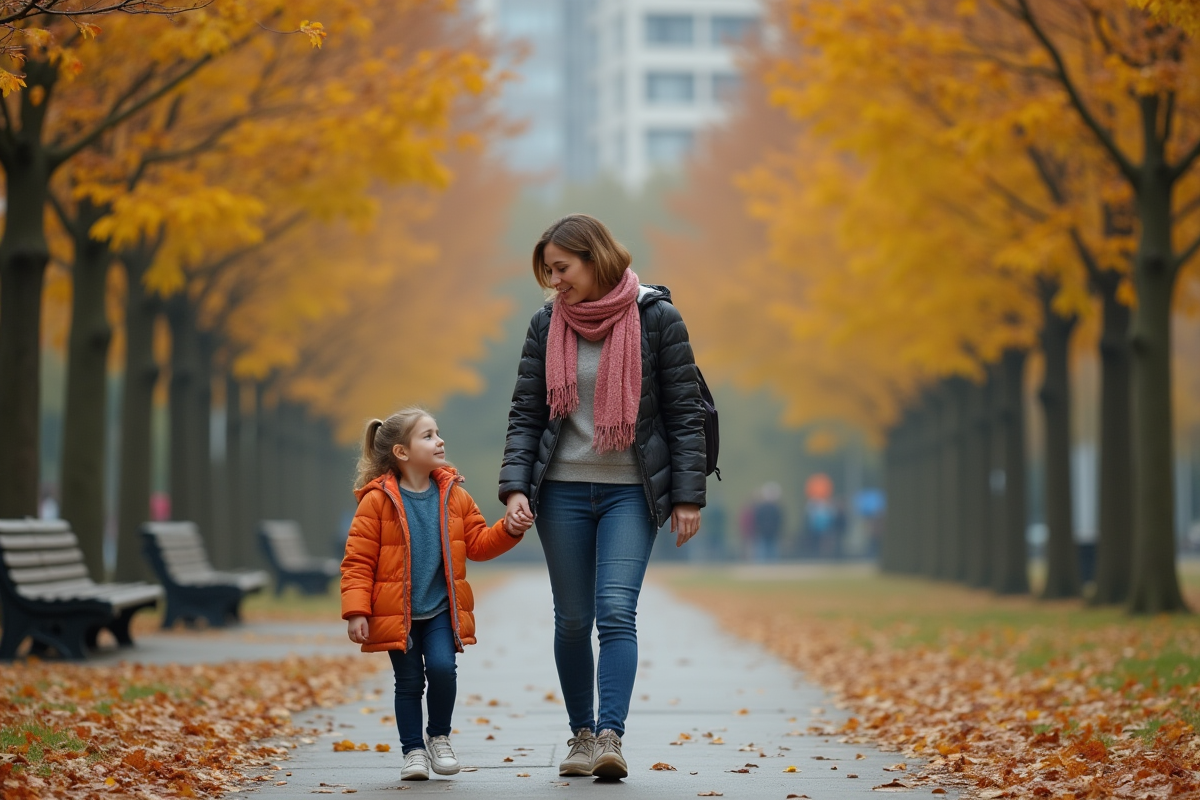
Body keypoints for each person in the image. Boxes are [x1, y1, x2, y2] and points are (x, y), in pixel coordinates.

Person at [499, 213, 707, 780]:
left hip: (629, 493)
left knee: (616, 612)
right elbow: (526, 413)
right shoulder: (547, 325)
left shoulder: (657, 318)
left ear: (594, 259)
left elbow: (684, 414)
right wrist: (516, 485)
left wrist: (688, 496)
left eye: (562, 269)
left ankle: (611, 734)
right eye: (548, 272)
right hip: (561, 491)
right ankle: (581, 736)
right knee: (572, 619)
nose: (554, 282)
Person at [341, 408, 528, 781]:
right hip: (398, 613)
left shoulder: (454, 494)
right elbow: (357, 562)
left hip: (441, 609)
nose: (439, 440)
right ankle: (413, 751)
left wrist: (508, 529)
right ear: (402, 452)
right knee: (409, 682)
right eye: (427, 436)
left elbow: (477, 543)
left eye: (438, 433)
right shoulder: (376, 503)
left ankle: (438, 737)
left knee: (443, 669)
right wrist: (357, 611)